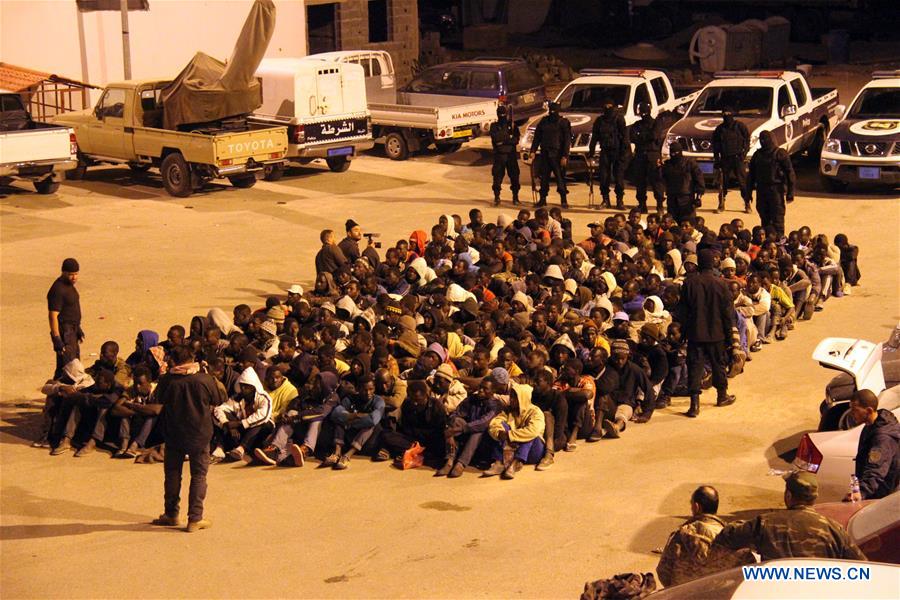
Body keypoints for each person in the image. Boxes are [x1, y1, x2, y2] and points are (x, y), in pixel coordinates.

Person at [149, 345, 224, 532]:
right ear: (192, 357)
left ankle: (171, 514)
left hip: (174, 433)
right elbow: (218, 399)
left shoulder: (167, 381)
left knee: (173, 475)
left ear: (174, 360)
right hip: (200, 434)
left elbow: (157, 400)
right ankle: (194, 519)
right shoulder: (204, 379)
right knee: (199, 475)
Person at [712, 472, 866, 561]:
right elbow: (862, 567)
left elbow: (725, 539)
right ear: (814, 498)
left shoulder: (765, 523)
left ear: (788, 496)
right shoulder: (833, 530)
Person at [678, 249, 735, 417]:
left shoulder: (689, 283)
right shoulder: (721, 284)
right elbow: (727, 313)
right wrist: (730, 336)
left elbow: (682, 311)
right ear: (712, 263)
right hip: (717, 333)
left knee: (695, 367)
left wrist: (684, 331)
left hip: (695, 333)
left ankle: (694, 405)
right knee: (719, 364)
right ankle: (722, 396)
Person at [657, 486, 747, 587]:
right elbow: (747, 575)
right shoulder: (732, 538)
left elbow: (663, 572)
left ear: (696, 507)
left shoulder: (681, 536)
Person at [844, 389, 900, 501]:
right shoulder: (870, 427)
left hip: (881, 499)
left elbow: (876, 470)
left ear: (869, 410)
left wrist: (861, 492)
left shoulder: (883, 438)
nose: (851, 413)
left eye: (855, 409)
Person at [484, 382, 545, 479]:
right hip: (512, 449)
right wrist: (499, 433)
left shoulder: (535, 412)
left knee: (531, 435)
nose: (510, 399)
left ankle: (516, 463)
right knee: (501, 427)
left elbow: (533, 431)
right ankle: (499, 462)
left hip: (533, 452)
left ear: (522, 398)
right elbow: (495, 423)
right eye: (510, 396)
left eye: (514, 397)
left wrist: (510, 435)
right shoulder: (508, 410)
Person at [746, 130, 795, 240]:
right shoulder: (757, 155)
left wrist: (790, 192)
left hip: (776, 190)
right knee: (764, 216)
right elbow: (751, 175)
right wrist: (748, 193)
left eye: (765, 139)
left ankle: (779, 239)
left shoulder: (780, 153)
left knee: (778, 217)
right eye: (762, 139)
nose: (764, 141)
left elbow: (790, 172)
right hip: (762, 189)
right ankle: (767, 239)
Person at [589, 97, 630, 210]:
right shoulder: (599, 121)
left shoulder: (619, 119)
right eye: (605, 106)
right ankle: (605, 200)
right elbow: (595, 137)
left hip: (618, 151)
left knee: (619, 177)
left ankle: (619, 200)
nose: (607, 109)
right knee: (604, 176)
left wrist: (625, 152)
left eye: (609, 106)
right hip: (605, 152)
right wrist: (591, 151)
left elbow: (625, 136)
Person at [529, 101, 572, 207]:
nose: (552, 112)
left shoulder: (563, 122)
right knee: (544, 178)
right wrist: (533, 151)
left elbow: (567, 141)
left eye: (554, 110)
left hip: (557, 155)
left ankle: (563, 200)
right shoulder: (544, 121)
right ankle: (542, 199)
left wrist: (565, 156)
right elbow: (537, 137)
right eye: (551, 110)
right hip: (545, 154)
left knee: (560, 178)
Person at [47, 257, 83, 379]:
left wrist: (78, 328)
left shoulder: (69, 285)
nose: (74, 277)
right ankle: (57, 392)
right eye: (71, 274)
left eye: (76, 274)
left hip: (72, 330)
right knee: (69, 366)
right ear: (63, 272)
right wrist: (56, 337)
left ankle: (56, 392)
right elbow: (53, 315)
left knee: (71, 364)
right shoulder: (58, 289)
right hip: (65, 331)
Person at [712, 107, 750, 213]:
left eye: (728, 114)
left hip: (738, 158)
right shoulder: (719, 129)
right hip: (725, 159)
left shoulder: (740, 126)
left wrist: (744, 153)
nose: (727, 116)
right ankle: (721, 204)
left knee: (743, 183)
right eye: (725, 114)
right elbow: (715, 145)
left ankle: (747, 203)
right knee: (723, 183)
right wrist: (717, 159)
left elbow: (747, 139)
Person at [630, 102, 665, 214]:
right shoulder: (637, 124)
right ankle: (642, 204)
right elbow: (632, 137)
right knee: (640, 182)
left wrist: (642, 136)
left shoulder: (656, 123)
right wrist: (645, 137)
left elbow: (654, 135)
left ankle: (659, 204)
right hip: (640, 155)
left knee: (656, 181)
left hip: (652, 155)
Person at [662, 142, 704, 225]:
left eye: (676, 152)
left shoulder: (690, 163)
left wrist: (698, 196)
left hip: (686, 199)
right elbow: (661, 179)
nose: (673, 155)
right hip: (672, 198)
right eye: (672, 152)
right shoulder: (667, 164)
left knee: (688, 223)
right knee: (672, 224)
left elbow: (699, 179)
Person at [490, 104, 521, 206]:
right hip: (499, 156)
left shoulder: (512, 125)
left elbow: (516, 139)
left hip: (511, 155)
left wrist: (503, 142)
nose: (502, 116)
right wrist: (508, 138)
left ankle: (515, 197)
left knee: (514, 177)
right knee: (497, 177)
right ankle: (497, 197)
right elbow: (496, 139)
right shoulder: (494, 126)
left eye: (503, 114)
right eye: (500, 114)